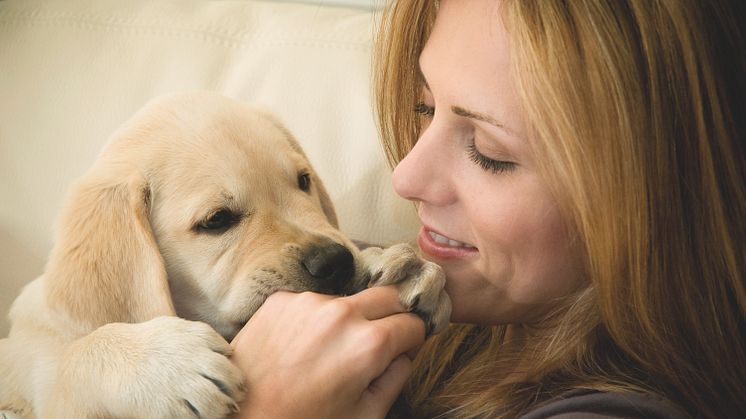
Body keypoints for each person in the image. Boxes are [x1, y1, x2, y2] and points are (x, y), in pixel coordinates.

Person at [230, 0, 745, 417]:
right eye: (425, 109)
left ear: (652, 197)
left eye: (488, 152)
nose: (405, 177)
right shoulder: (418, 297)